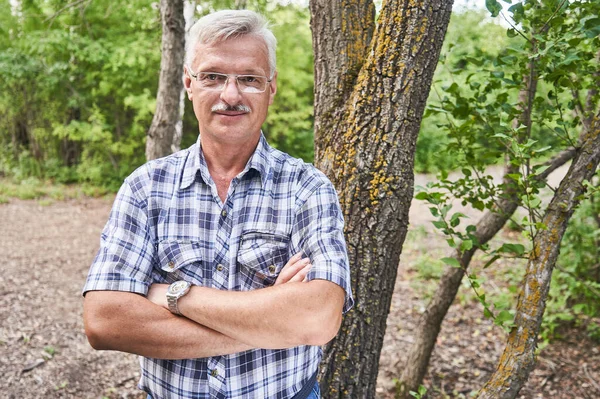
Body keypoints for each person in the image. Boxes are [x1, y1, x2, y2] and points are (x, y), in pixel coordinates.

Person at [82, 9, 353, 399]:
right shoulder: (146, 187)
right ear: (189, 84)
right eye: (213, 77)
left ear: (271, 88)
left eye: (249, 80)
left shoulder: (306, 188)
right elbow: (105, 323)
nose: (230, 95)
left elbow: (317, 317)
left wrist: (174, 295)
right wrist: (271, 323)